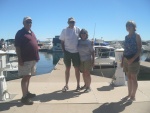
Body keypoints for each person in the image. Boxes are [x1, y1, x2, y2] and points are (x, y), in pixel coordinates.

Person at [15, 16, 39, 105]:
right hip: (25, 59)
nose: (29, 23)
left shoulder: (32, 32)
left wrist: (37, 56)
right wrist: (20, 59)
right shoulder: (20, 33)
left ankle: (27, 92)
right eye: (27, 22)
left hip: (33, 59)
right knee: (25, 77)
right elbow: (17, 47)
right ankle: (24, 97)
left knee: (29, 76)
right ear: (23, 23)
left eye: (30, 22)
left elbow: (34, 44)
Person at [121, 20, 142, 101]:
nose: (128, 27)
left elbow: (139, 50)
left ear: (134, 27)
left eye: (130, 25)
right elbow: (125, 49)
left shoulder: (137, 36)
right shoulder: (126, 37)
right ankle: (129, 94)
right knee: (128, 77)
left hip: (134, 59)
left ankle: (133, 96)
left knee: (133, 78)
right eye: (127, 26)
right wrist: (123, 61)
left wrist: (132, 59)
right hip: (126, 59)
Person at [59, 17, 81, 92]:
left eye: (73, 22)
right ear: (68, 23)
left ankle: (78, 85)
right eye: (71, 22)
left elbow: (83, 38)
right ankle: (66, 85)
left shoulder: (78, 29)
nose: (72, 23)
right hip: (67, 52)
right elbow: (62, 42)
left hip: (76, 52)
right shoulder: (64, 30)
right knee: (67, 69)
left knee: (77, 69)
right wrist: (64, 51)